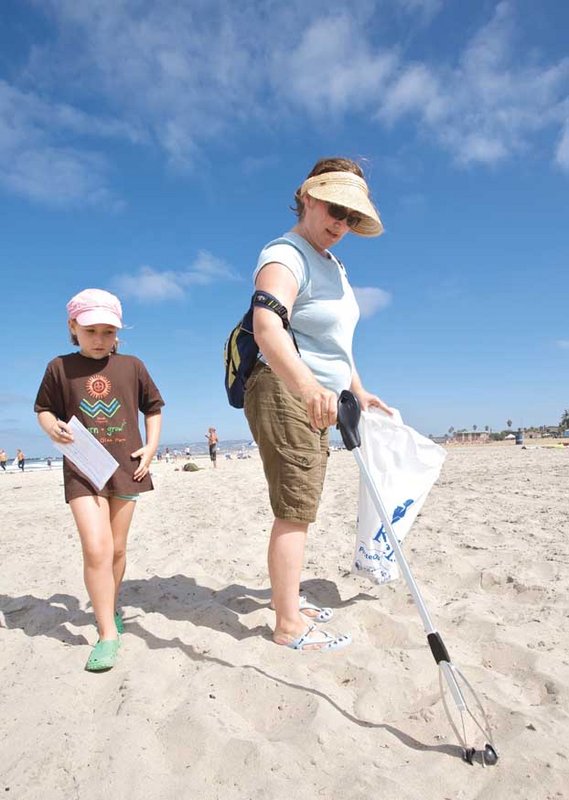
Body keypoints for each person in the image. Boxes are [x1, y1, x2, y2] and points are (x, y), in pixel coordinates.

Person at [244, 157, 393, 652]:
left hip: (318, 397)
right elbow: (267, 328)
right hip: (286, 391)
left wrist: (359, 388)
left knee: (301, 505)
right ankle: (287, 623)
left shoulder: (332, 264)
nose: (340, 224)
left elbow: (334, 344)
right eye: (333, 209)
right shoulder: (285, 255)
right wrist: (309, 388)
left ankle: (286, 600)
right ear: (307, 197)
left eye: (351, 217)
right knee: (295, 509)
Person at [34, 288, 164, 672]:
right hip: (82, 469)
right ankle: (108, 633)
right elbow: (43, 408)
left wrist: (152, 447)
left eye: (108, 332)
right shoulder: (59, 367)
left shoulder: (133, 366)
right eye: (91, 331)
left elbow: (153, 408)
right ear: (73, 326)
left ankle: (108, 605)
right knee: (96, 548)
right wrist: (50, 429)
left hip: (126, 466)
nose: (99, 340)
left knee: (117, 550)